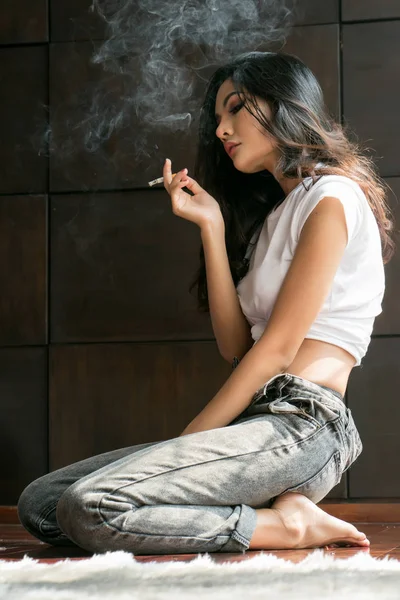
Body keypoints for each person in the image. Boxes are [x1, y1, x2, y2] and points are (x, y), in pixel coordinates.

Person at [18, 51, 395, 555]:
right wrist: (212, 226)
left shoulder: (333, 197)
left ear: (284, 105)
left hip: (305, 425)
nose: (222, 128)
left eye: (235, 108)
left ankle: (286, 527)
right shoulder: (275, 219)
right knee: (43, 503)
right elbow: (237, 345)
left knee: (91, 506)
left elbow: (278, 349)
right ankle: (278, 508)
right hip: (254, 424)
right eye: (218, 117)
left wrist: (187, 442)